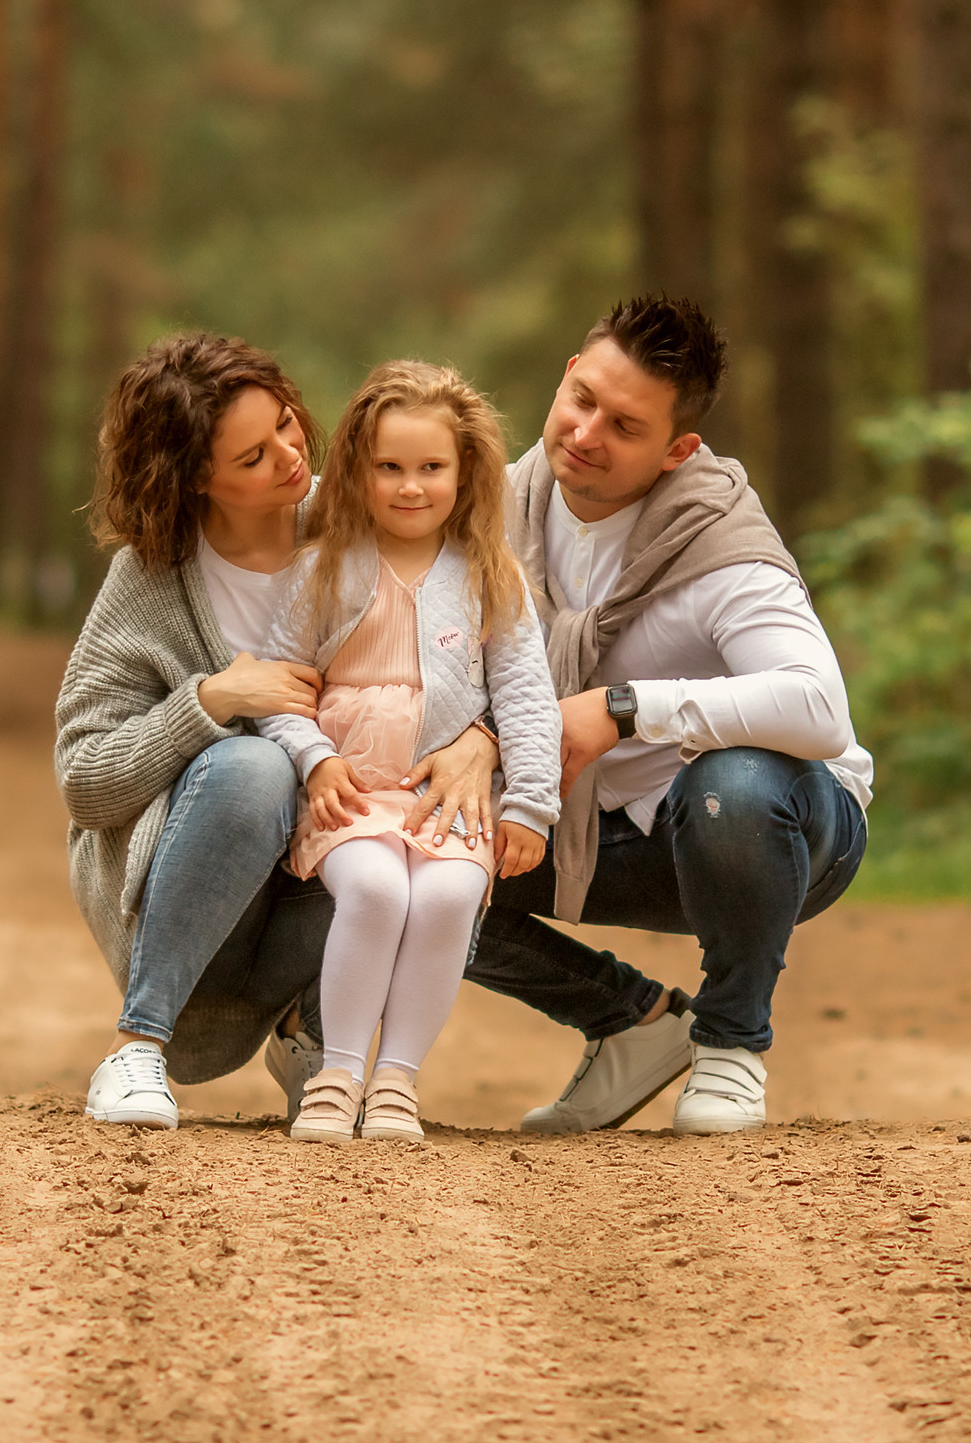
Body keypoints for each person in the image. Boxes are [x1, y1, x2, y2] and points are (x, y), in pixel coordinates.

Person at [54, 333, 499, 1130]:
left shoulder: (374, 513)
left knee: (448, 833)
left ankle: (324, 1043)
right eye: (254, 457)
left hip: (329, 876)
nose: (293, 456)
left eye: (288, 424)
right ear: (196, 477)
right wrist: (212, 698)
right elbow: (85, 781)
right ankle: (136, 1046)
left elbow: (493, 641)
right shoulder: (153, 577)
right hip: (198, 925)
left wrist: (483, 739)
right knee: (255, 765)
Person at [463, 294, 874, 1135]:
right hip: (587, 828)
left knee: (734, 781)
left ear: (676, 450)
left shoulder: (719, 545)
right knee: (412, 852)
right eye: (583, 401)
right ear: (568, 374)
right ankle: (632, 1022)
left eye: (624, 426)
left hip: (776, 834)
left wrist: (621, 711)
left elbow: (821, 709)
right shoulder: (490, 512)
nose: (586, 434)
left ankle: (730, 1042)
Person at [254, 363, 562, 1142]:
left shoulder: (494, 577)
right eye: (388, 466)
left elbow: (526, 698)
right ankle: (339, 1072)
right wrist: (315, 758)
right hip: (350, 796)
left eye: (431, 468)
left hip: (445, 801)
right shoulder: (322, 568)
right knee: (378, 891)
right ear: (357, 467)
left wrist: (529, 803)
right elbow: (277, 689)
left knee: (452, 898)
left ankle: (397, 1081)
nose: (409, 486)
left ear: (467, 473)